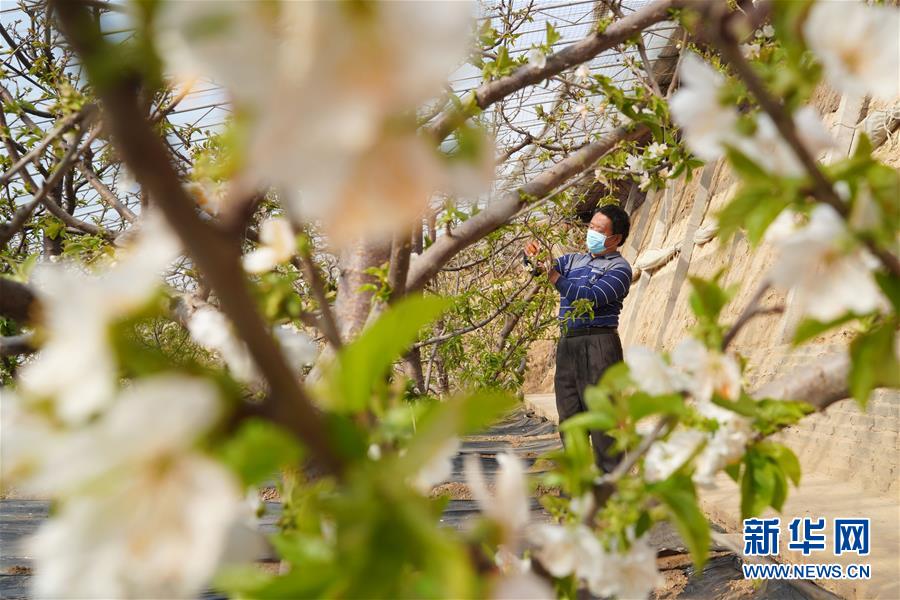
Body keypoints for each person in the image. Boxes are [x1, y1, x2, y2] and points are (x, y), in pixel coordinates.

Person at [524, 204, 633, 473]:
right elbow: (540, 268)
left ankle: (611, 492)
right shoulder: (572, 260)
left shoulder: (620, 269)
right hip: (569, 343)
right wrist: (531, 257)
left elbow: (590, 297)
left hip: (599, 344)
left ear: (616, 238)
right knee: (570, 418)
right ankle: (578, 491)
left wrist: (552, 275)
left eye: (599, 230)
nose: (591, 233)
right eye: (591, 227)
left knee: (603, 422)